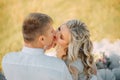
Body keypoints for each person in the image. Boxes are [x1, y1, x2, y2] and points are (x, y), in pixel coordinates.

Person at [2, 13, 72, 80]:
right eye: (51, 31)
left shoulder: (7, 60)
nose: (55, 33)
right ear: (42, 39)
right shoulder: (58, 66)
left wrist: (43, 48)